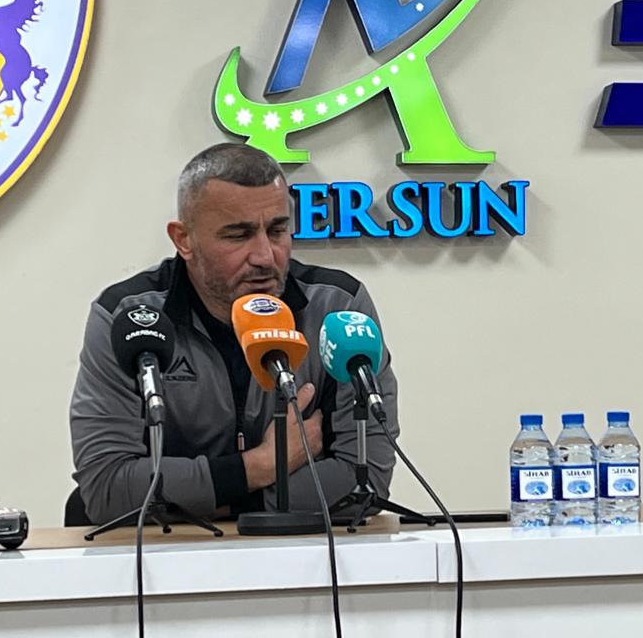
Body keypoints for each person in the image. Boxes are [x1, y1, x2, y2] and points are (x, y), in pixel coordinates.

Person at [69, 143, 399, 524]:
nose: (265, 256)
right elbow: (107, 490)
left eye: (277, 230)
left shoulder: (338, 309)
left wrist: (217, 498)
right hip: (165, 553)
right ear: (184, 240)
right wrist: (260, 466)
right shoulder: (127, 318)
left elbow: (364, 482)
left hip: (302, 552)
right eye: (238, 235)